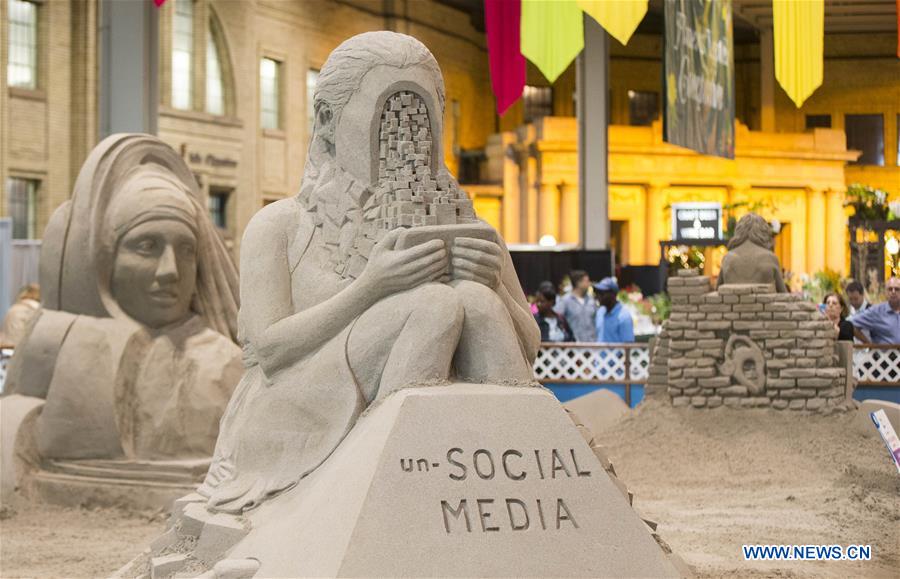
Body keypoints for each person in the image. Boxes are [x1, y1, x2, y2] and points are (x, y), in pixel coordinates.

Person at [198, 32, 540, 514]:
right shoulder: (280, 226)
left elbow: (529, 344)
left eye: (420, 116)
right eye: (393, 114)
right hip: (300, 403)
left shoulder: (473, 229)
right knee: (433, 306)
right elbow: (270, 348)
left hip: (459, 434)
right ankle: (389, 495)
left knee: (477, 303)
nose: (408, 138)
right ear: (327, 120)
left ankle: (527, 478)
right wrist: (370, 287)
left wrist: (496, 285)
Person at [5, 134, 242, 460]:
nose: (170, 270)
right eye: (147, 246)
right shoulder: (57, 341)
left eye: (186, 250)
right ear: (107, 261)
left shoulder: (225, 367)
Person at [848, 277, 900, 344]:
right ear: (885, 292)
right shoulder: (876, 312)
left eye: (897, 289)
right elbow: (850, 324)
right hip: (884, 350)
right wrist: (868, 343)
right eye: (890, 289)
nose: (893, 292)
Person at [555, 270, 597, 342]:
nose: (589, 284)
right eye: (587, 281)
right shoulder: (565, 301)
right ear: (578, 283)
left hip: (593, 344)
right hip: (575, 345)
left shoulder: (591, 300)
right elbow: (556, 317)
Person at [594, 277, 635, 343]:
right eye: (597, 293)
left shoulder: (624, 316)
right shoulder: (600, 312)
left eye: (601, 293)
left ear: (613, 294)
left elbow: (628, 344)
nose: (597, 296)